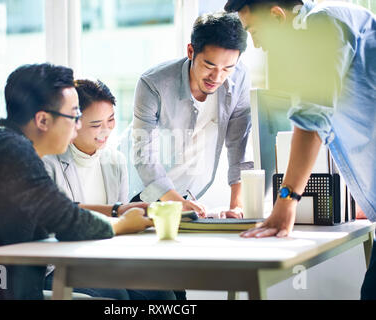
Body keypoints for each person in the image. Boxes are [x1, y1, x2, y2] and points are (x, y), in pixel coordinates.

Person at [0, 63, 152, 300]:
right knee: (117, 299)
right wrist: (123, 223)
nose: (77, 127)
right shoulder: (12, 152)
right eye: (74, 116)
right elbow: (70, 222)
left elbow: (57, 212)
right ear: (43, 120)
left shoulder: (5, 145)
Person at [223, 0, 376, 299]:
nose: (256, 44)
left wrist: (287, 200)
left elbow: (311, 119)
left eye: (255, 31)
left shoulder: (320, 25)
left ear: (278, 17)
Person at [42, 79, 176, 300]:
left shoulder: (115, 161)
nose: (105, 130)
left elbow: (121, 225)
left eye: (111, 119)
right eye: (96, 124)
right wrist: (118, 212)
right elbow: (55, 220)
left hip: (103, 260)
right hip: (60, 264)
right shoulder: (48, 162)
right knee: (116, 296)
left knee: (163, 294)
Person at [132, 12, 253, 219]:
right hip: (142, 195)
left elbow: (238, 146)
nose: (217, 77)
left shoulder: (240, 77)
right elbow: (144, 156)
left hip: (190, 195)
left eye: (228, 68)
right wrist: (177, 203)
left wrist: (237, 206)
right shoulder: (153, 84)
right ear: (190, 51)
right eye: (209, 65)